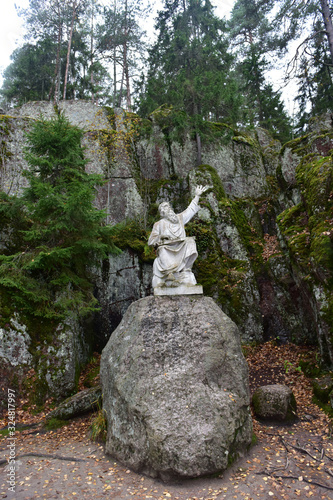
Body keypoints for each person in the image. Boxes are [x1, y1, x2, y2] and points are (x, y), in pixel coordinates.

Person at [148, 185, 209, 288]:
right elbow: (151, 241)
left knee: (190, 242)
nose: (169, 210)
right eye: (165, 209)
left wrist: (197, 196)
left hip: (181, 245)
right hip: (167, 247)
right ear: (162, 213)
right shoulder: (159, 224)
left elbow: (190, 210)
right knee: (162, 249)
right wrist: (161, 237)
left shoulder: (180, 218)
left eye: (169, 208)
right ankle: (169, 273)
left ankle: (186, 270)